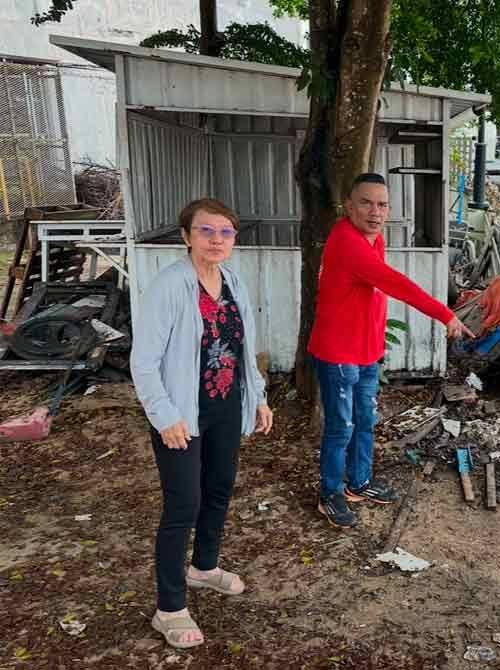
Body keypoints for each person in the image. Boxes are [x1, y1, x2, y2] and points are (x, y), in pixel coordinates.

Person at [131, 198, 273, 649]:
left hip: (226, 406)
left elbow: (243, 347)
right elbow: (144, 361)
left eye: (225, 232)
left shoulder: (232, 281)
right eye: (206, 231)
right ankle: (169, 608)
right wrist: (164, 415)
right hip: (181, 413)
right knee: (182, 505)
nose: (216, 240)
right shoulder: (170, 286)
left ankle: (204, 567)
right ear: (186, 236)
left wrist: (258, 397)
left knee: (218, 489)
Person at [309, 173, 473, 528]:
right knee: (341, 427)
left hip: (367, 351)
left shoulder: (374, 241)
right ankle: (330, 493)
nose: (375, 211)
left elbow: (376, 292)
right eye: (366, 203)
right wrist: (445, 313)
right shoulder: (347, 242)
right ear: (349, 207)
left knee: (365, 421)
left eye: (382, 204)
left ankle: (359, 482)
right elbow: (397, 285)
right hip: (338, 353)